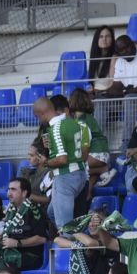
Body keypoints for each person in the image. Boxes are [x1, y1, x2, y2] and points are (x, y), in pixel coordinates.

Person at [33, 97, 86, 228]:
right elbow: (69, 145)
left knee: (64, 226)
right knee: (52, 213)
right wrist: (50, 146)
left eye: (37, 117)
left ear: (42, 114)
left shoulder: (56, 128)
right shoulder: (72, 123)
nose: (39, 120)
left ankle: (73, 246)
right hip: (79, 173)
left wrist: (46, 163)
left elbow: (62, 159)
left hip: (65, 176)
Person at [0, 177, 47, 271]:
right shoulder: (10, 210)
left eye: (13, 190)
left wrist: (18, 243)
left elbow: (41, 239)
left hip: (30, 256)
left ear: (24, 193)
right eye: (8, 189)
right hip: (10, 253)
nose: (9, 193)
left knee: (0, 267)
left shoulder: (34, 211)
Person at [69, 88, 114, 189]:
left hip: (97, 154)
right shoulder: (88, 117)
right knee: (88, 178)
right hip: (101, 153)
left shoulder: (81, 119)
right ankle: (88, 195)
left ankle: (102, 169)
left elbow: (83, 142)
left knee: (74, 168)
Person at [18, 140, 52, 206]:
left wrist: (27, 195)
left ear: (41, 157)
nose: (28, 158)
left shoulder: (49, 173)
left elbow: (49, 199)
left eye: (31, 155)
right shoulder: (31, 173)